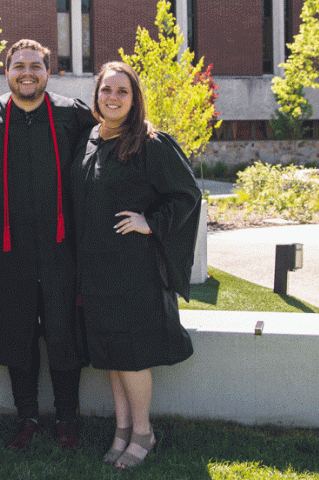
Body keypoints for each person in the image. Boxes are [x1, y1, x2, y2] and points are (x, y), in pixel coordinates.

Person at [0, 39, 97, 450]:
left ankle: (68, 418)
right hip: (7, 252)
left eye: (35, 66)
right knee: (17, 335)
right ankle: (26, 417)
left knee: (64, 337)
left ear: (48, 71)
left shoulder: (73, 115)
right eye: (19, 65)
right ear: (6, 72)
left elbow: (105, 146)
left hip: (62, 250)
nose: (27, 72)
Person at [70, 61, 201, 469]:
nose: (113, 97)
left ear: (134, 97)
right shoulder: (91, 139)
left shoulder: (150, 142)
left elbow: (186, 194)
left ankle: (143, 432)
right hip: (95, 267)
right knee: (111, 350)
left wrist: (150, 223)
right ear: (97, 96)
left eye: (122, 91)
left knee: (133, 352)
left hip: (134, 269)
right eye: (106, 90)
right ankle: (121, 430)